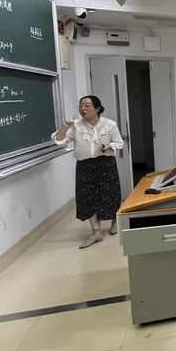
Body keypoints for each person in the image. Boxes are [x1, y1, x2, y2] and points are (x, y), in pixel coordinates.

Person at [52, 95, 124, 248]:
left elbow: (119, 142)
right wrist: (65, 127)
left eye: (87, 105)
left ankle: (115, 222)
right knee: (87, 198)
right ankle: (96, 232)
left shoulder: (109, 124)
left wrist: (110, 146)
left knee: (110, 194)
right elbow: (59, 140)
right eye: (80, 105)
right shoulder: (75, 126)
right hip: (85, 166)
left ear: (97, 108)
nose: (82, 108)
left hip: (105, 164)